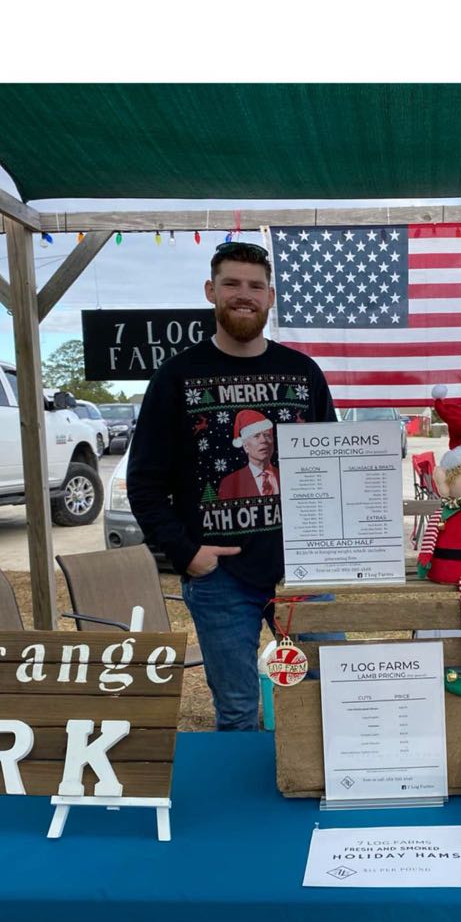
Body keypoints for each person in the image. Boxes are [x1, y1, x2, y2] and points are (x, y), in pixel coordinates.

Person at [128, 241, 336, 731]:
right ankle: (245, 803)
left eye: (255, 286)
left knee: (330, 694)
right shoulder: (176, 377)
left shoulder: (303, 374)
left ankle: (324, 792)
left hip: (305, 575)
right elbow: (144, 483)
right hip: (221, 579)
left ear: (270, 297)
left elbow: (336, 466)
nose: (244, 295)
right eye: (232, 284)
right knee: (238, 711)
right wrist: (186, 552)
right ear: (211, 291)